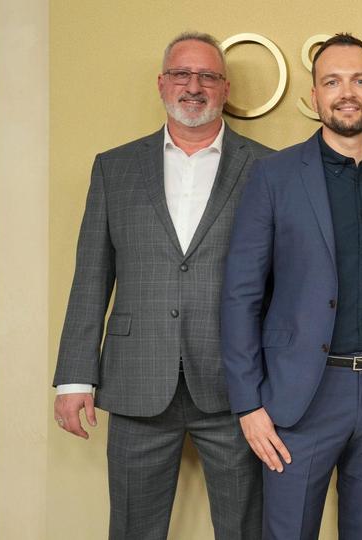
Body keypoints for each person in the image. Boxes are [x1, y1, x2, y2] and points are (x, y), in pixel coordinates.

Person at [52, 32, 274, 539]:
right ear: (161, 83)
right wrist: (74, 378)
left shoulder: (268, 167)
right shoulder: (114, 167)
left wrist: (278, 379)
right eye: (181, 74)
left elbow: (284, 282)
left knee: (245, 528)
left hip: (236, 386)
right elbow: (90, 276)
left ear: (225, 87)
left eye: (207, 76)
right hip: (136, 380)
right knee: (133, 528)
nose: (193, 86)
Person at [220, 33, 362, 540]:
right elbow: (240, 294)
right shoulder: (274, 177)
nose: (346, 92)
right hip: (299, 397)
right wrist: (248, 405)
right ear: (314, 96)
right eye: (331, 81)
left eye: (359, 80)